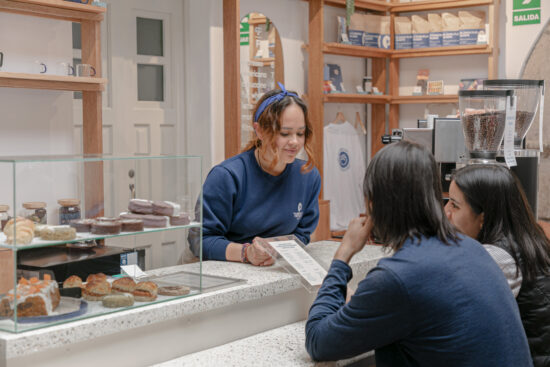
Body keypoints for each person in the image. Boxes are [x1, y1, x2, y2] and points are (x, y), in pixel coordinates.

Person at [305, 141, 532, 366]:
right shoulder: (471, 248)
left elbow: (318, 342)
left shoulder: (396, 277)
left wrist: (343, 255)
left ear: (374, 203)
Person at [188, 83, 321, 266]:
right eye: (284, 133)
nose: (294, 142)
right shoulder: (227, 176)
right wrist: (246, 252)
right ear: (259, 130)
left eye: (300, 133)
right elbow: (200, 241)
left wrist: (274, 248)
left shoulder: (308, 176)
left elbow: (302, 235)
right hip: (222, 270)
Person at [445, 164, 550, 367]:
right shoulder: (528, 238)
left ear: (483, 217)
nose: (446, 212)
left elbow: (458, 318)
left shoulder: (496, 257)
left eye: (454, 205)